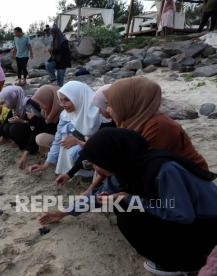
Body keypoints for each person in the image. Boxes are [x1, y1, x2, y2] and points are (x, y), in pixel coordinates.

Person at [63, 128, 217, 274]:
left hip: (208, 224)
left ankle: (183, 264)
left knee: (128, 215)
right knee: (120, 204)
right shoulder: (125, 168)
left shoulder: (164, 170)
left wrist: (128, 198)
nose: (95, 169)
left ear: (109, 156)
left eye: (95, 162)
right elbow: (100, 197)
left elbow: (182, 215)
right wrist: (64, 211)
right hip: (189, 219)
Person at [56, 77, 209, 189]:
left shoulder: (159, 126)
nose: (107, 110)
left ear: (130, 102)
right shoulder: (130, 122)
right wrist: (84, 185)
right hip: (162, 176)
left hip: (188, 180)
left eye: (110, 104)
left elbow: (138, 168)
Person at [28, 81, 102, 177]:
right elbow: (58, 139)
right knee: (65, 135)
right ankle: (79, 171)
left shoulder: (98, 112)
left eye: (67, 100)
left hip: (99, 150)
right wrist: (45, 165)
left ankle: (96, 173)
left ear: (78, 97)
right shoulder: (65, 115)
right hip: (85, 146)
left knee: (74, 151)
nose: (63, 104)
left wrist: (77, 141)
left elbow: (103, 141)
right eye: (60, 100)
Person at [0, 85, 57, 170]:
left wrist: (24, 121)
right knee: (6, 126)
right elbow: (2, 127)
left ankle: (31, 149)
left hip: (40, 133)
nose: (4, 104)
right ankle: (26, 148)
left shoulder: (29, 105)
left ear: (12, 97)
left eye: (6, 101)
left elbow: (38, 126)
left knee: (14, 128)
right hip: (37, 131)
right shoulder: (15, 107)